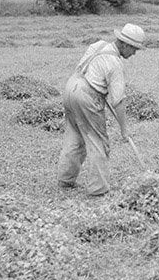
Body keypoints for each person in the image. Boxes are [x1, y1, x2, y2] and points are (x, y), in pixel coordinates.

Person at [57, 23, 146, 196]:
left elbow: (87, 68)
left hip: (71, 87)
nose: (134, 53)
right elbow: (118, 101)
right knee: (98, 142)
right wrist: (124, 130)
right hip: (87, 95)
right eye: (134, 49)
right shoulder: (115, 65)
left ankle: (65, 179)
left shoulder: (98, 45)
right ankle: (98, 189)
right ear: (126, 44)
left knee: (75, 135)